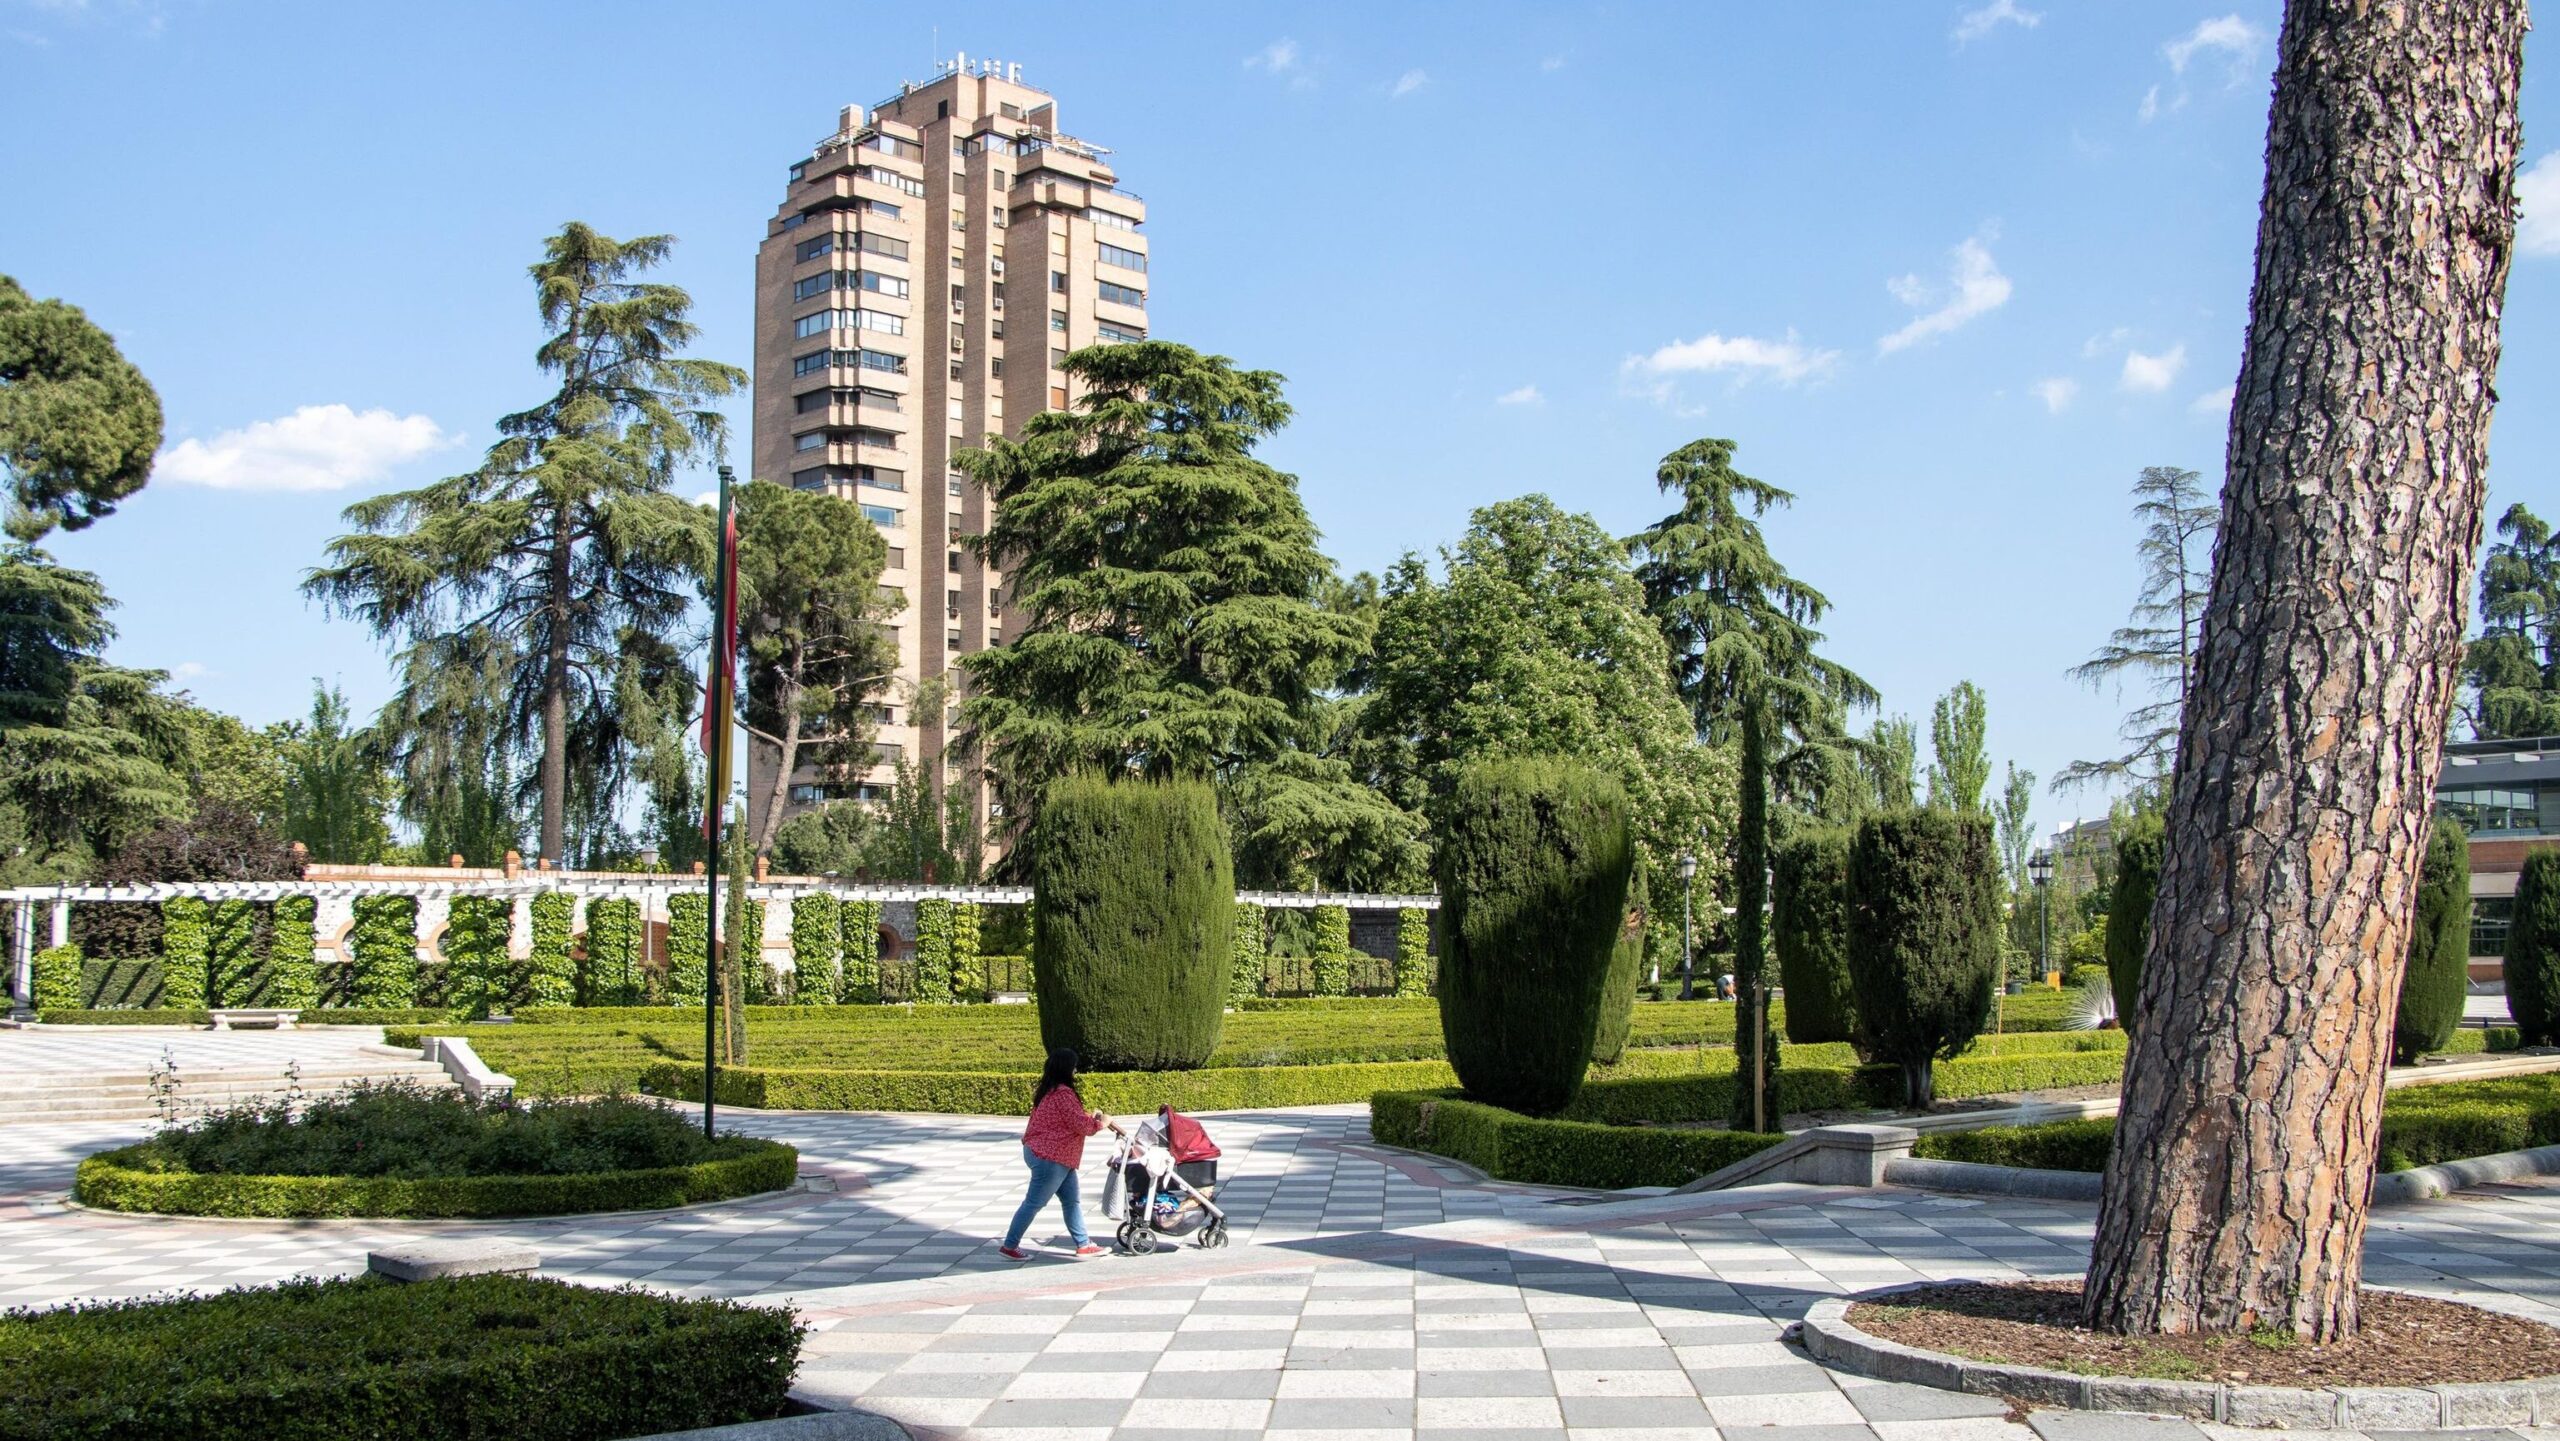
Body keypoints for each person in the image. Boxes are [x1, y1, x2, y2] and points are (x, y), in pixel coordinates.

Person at [1000, 1047, 1108, 1261]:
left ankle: (1083, 1244)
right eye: (1074, 1067)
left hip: (1050, 1154)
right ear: (1067, 1069)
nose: (1076, 1071)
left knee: (1072, 1201)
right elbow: (1081, 1126)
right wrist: (1102, 1123)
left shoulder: (1048, 1090)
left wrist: (1090, 1117)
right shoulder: (1063, 1093)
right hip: (1050, 1157)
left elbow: (1067, 1119)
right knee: (1034, 1203)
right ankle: (1010, 1245)